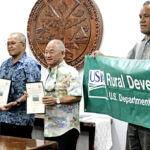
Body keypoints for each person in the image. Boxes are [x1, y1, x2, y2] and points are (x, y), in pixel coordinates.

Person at [92, 1, 150, 150]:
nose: (141, 20)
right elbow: (123, 65)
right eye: (140, 17)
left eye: (146, 16)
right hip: (134, 115)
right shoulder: (139, 45)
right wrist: (103, 58)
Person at [42, 39, 82, 150]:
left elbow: (77, 96)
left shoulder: (71, 71)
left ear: (63, 53)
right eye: (46, 52)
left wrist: (57, 100)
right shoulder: (47, 73)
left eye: (52, 52)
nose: (48, 55)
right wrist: (32, 96)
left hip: (67, 128)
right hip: (49, 128)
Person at [0, 32, 41, 138]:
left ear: (23, 45)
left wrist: (16, 102)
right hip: (3, 117)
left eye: (13, 43)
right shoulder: (4, 64)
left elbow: (34, 92)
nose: (10, 46)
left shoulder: (31, 65)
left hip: (21, 120)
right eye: (8, 44)